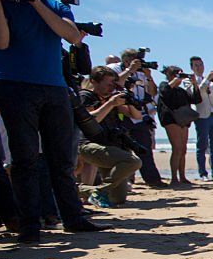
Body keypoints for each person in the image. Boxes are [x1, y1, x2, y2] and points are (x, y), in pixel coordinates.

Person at [0, 0, 107, 242]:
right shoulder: (4, 2)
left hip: (55, 88)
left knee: (62, 160)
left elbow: (72, 36)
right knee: (24, 159)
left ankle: (72, 218)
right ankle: (30, 225)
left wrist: (34, 1)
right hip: (14, 86)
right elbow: (2, 42)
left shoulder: (56, 6)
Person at [76, 66, 143, 206]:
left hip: (109, 145)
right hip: (88, 145)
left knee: (118, 199)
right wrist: (110, 103)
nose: (111, 88)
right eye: (108, 84)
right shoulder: (86, 96)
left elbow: (137, 116)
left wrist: (129, 99)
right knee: (133, 161)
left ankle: (85, 190)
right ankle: (97, 191)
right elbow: (89, 121)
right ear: (94, 82)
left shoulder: (111, 99)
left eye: (114, 84)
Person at [114, 49, 165, 187]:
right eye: (136, 60)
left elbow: (153, 92)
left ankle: (153, 180)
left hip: (139, 113)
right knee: (122, 148)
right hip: (121, 112)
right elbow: (115, 83)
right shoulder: (115, 69)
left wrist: (148, 77)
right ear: (126, 60)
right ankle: (123, 181)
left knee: (144, 147)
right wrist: (130, 70)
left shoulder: (141, 74)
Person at [157, 66, 201, 185]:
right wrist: (175, 81)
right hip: (171, 119)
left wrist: (194, 84)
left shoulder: (181, 91)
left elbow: (196, 100)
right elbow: (164, 93)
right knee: (177, 149)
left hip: (183, 120)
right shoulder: (164, 85)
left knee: (183, 149)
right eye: (176, 74)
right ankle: (174, 178)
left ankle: (182, 177)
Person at [190, 56, 213, 180]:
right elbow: (197, 93)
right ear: (192, 67)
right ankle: (202, 173)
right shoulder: (191, 80)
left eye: (201, 65)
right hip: (201, 115)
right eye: (196, 65)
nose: (199, 67)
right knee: (202, 144)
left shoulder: (210, 82)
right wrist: (206, 79)